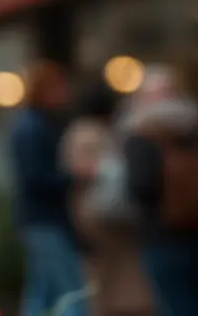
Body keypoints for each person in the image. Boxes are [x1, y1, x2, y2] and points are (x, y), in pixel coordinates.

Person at [61, 78, 153, 316]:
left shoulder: (84, 130)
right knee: (107, 275)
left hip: (99, 212)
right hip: (101, 212)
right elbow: (79, 168)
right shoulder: (91, 133)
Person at [10, 60, 89, 316]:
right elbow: (36, 177)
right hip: (44, 219)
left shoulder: (34, 123)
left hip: (38, 218)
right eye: (59, 88)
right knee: (70, 290)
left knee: (43, 289)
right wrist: (73, 176)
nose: (65, 94)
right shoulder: (33, 127)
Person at [121, 64, 198, 316]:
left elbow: (139, 187)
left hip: (161, 234)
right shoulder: (192, 125)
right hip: (191, 231)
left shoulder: (139, 133)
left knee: (175, 304)